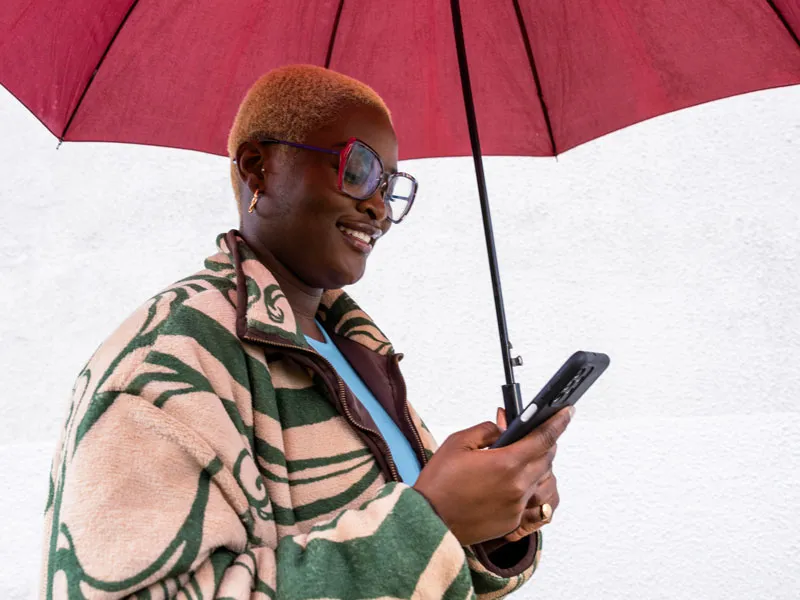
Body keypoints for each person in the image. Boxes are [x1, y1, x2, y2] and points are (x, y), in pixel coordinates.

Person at [40, 64, 573, 599]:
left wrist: (495, 523)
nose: (379, 208)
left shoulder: (354, 349)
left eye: (391, 185)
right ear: (258, 169)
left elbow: (420, 558)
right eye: (358, 168)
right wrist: (431, 521)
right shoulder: (166, 363)